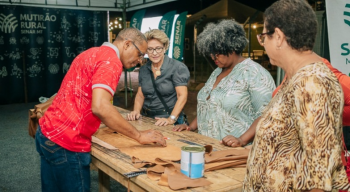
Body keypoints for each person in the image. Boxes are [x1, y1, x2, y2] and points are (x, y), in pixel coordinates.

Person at [35, 28, 166, 192]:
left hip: (47, 133)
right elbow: (100, 107)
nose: (140, 61)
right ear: (127, 44)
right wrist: (139, 136)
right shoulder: (111, 62)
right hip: (67, 142)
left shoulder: (92, 52)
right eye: (140, 54)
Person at [242, 0, 350, 191]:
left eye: (263, 36)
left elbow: (320, 173)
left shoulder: (312, 82)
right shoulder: (297, 77)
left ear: (278, 37)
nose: (263, 43)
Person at [173, 19, 276, 142]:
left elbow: (267, 114)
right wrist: (190, 127)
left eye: (216, 53)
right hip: (207, 146)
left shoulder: (254, 73)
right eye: (211, 54)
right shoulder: (217, 71)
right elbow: (208, 107)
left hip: (235, 153)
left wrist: (241, 140)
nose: (213, 58)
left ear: (231, 47)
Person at [126, 29, 190, 126]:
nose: (154, 53)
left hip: (168, 118)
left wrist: (171, 119)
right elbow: (140, 95)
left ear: (165, 48)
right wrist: (136, 111)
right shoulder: (143, 69)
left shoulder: (177, 67)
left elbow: (182, 96)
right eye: (150, 49)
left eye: (158, 48)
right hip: (147, 118)